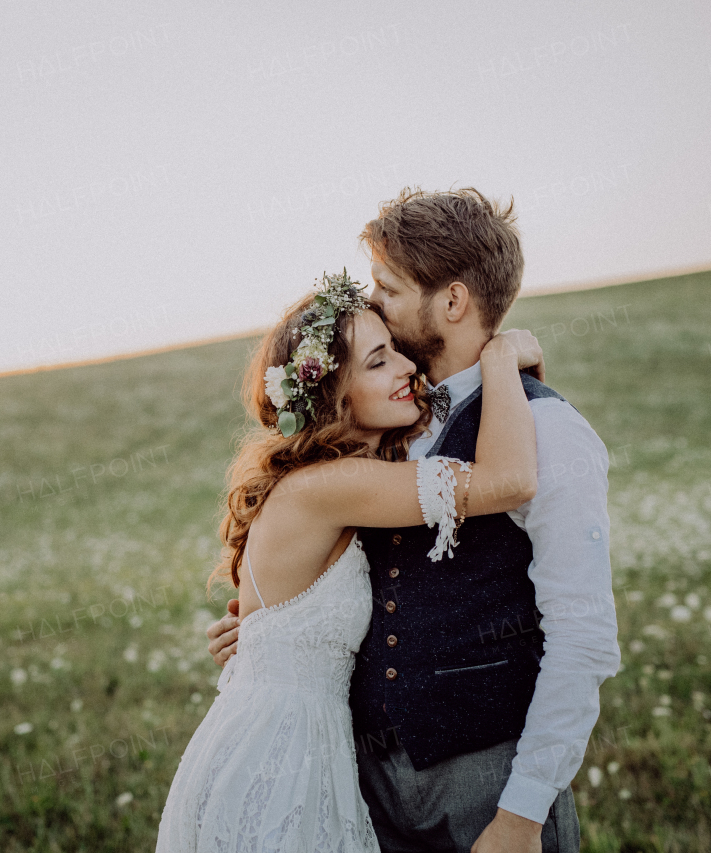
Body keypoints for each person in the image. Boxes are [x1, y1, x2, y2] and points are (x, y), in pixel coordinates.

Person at [206, 188, 622, 853]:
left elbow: (584, 638)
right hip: (363, 790)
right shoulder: (381, 430)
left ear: (452, 301)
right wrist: (267, 630)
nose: (376, 307)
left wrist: (522, 813)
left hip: (486, 786)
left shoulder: (549, 431)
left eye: (388, 289)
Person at [156, 269, 545, 852]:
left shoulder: (325, 485)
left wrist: (256, 642)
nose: (407, 368)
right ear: (335, 394)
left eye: (395, 351)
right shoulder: (332, 485)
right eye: (378, 361)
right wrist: (501, 356)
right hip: (278, 759)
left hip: (291, 744)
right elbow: (509, 480)